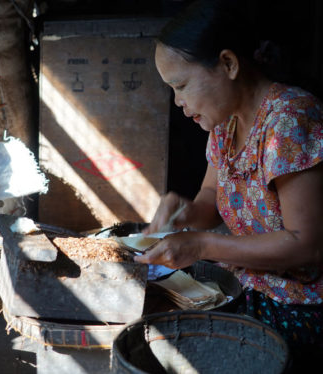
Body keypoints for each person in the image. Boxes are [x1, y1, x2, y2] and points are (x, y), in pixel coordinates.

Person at [134, 0, 323, 371]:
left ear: (228, 64)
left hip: (299, 307)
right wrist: (184, 213)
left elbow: (307, 245)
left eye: (181, 85)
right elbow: (211, 199)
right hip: (244, 286)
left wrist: (202, 244)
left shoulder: (289, 120)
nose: (178, 102)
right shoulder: (226, 124)